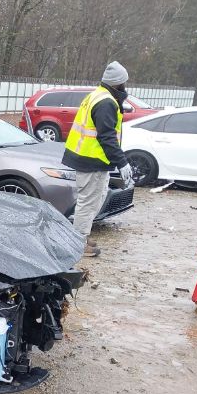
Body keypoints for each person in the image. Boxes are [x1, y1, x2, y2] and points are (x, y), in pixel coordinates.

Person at [62, 61, 134, 258]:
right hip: (90, 160)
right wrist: (122, 162)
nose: (125, 85)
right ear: (118, 82)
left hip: (91, 159)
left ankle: (80, 236)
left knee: (94, 200)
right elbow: (107, 136)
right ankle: (78, 242)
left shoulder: (98, 95)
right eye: (124, 82)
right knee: (88, 202)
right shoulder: (106, 102)